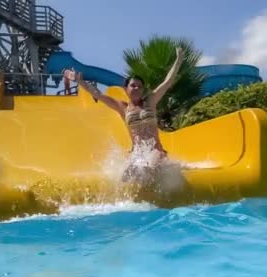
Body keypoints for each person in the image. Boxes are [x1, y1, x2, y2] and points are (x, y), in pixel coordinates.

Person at [63, 47, 185, 184]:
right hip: (137, 152)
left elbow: (167, 83)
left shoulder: (150, 101)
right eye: (133, 86)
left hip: (155, 150)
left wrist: (178, 61)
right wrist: (81, 82)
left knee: (148, 168)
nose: (137, 88)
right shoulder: (123, 107)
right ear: (125, 90)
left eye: (139, 86)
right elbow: (98, 95)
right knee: (125, 176)